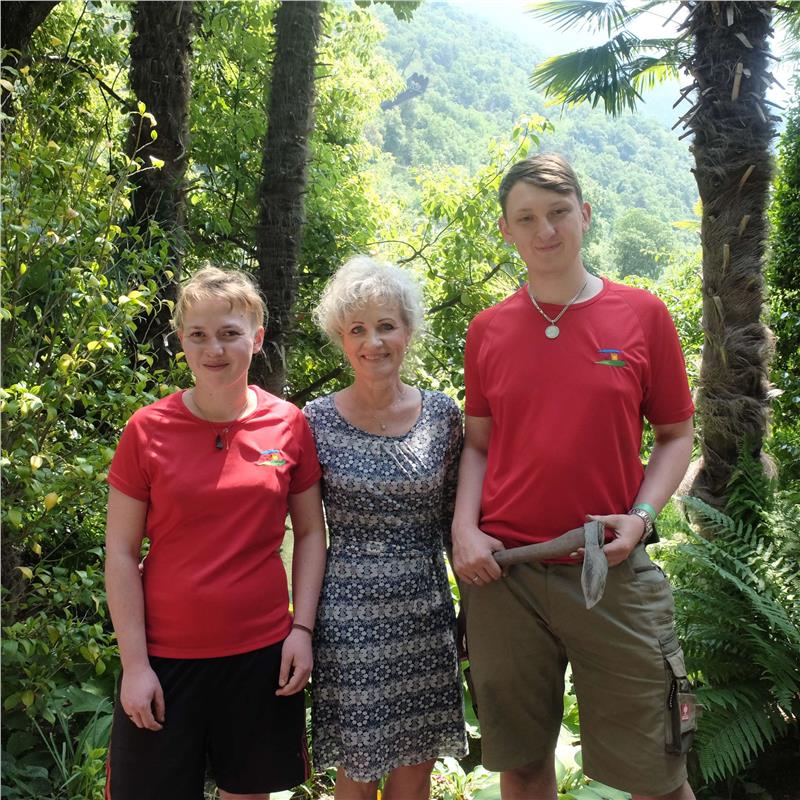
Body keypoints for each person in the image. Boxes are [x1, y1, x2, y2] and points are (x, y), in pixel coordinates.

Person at [452, 154, 696, 800]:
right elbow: (478, 446)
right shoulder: (488, 330)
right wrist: (464, 529)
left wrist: (642, 516)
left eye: (559, 212)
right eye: (526, 218)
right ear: (506, 230)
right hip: (506, 574)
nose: (546, 231)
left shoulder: (642, 315)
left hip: (610, 568)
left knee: (658, 772)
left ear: (584, 215)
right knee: (522, 766)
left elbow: (676, 436)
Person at [104, 266, 327, 800]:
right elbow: (120, 552)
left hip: (261, 655)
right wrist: (135, 665)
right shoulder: (146, 429)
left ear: (257, 337)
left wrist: (301, 630)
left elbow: (311, 534)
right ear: (182, 340)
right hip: (164, 657)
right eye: (198, 335)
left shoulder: (288, 424)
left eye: (229, 333)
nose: (214, 349)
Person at [304, 256, 468, 800]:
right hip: (349, 614)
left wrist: (472, 609)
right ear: (341, 338)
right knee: (358, 768)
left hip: (425, 609)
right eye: (357, 329)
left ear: (408, 332)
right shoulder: (313, 420)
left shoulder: (443, 415)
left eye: (386, 326)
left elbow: (454, 523)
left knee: (416, 769)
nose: (373, 342)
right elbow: (304, 533)